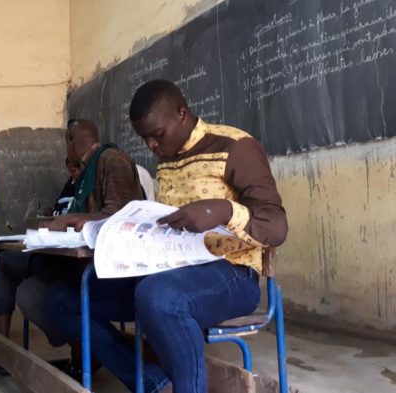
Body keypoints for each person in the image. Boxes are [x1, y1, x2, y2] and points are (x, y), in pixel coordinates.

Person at [42, 80, 289, 393]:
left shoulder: (235, 147)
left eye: (157, 135)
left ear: (182, 114)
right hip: (168, 271)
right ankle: (154, 383)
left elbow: (276, 225)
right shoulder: (167, 159)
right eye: (144, 138)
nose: (151, 146)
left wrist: (223, 211)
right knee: (64, 301)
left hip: (232, 275)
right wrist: (98, 224)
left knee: (159, 297)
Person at [15, 118, 145, 379]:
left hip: (115, 268)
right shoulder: (86, 170)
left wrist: (79, 219)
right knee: (32, 277)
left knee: (47, 287)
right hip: (87, 259)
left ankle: (95, 351)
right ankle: (86, 349)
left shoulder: (111, 159)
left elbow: (124, 215)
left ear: (71, 142)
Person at [0, 156, 81, 374]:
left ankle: (82, 355)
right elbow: (58, 215)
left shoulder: (92, 182)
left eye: (77, 167)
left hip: (69, 260)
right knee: (1, 259)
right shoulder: (70, 185)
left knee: (38, 286)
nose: (73, 172)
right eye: (69, 167)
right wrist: (49, 216)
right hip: (50, 253)